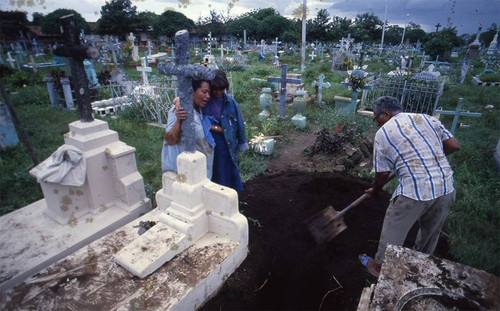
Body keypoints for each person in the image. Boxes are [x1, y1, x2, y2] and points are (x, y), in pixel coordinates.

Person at [359, 96, 460, 277]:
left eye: (376, 118)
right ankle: (421, 262)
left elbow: (382, 174)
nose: (376, 123)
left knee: (393, 228)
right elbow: (453, 145)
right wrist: (431, 159)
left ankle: (381, 267)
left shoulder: (383, 134)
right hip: (446, 187)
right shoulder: (427, 118)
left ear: (386, 114)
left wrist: (375, 190)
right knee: (430, 231)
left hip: (415, 191)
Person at [202, 70, 248, 191]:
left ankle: (229, 195)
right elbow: (199, 119)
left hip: (226, 142)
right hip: (209, 141)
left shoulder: (230, 103)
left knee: (226, 169)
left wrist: (242, 141)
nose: (218, 92)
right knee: (213, 169)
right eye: (215, 89)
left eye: (221, 89)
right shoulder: (205, 101)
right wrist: (216, 128)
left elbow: (239, 123)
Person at [161, 79, 215, 178]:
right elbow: (171, 140)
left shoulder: (199, 108)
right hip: (183, 174)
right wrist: (179, 120)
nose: (208, 96)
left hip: (199, 170)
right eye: (204, 92)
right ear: (192, 91)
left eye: (209, 93)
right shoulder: (179, 110)